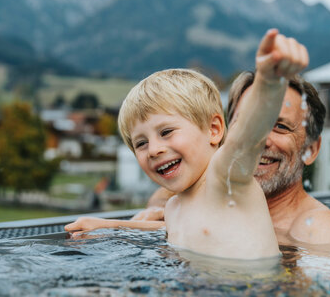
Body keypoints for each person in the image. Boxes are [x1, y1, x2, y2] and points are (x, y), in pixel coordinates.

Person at [65, 29, 308, 259]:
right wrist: (106, 226)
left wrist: (269, 81)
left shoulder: (226, 180)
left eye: (166, 132)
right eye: (140, 143)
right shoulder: (174, 206)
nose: (154, 149)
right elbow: (170, 229)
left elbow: (248, 133)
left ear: (213, 130)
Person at [134, 72, 330, 246]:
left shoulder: (319, 231)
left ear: (311, 149)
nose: (259, 139)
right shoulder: (181, 201)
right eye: (247, 124)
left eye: (280, 126)